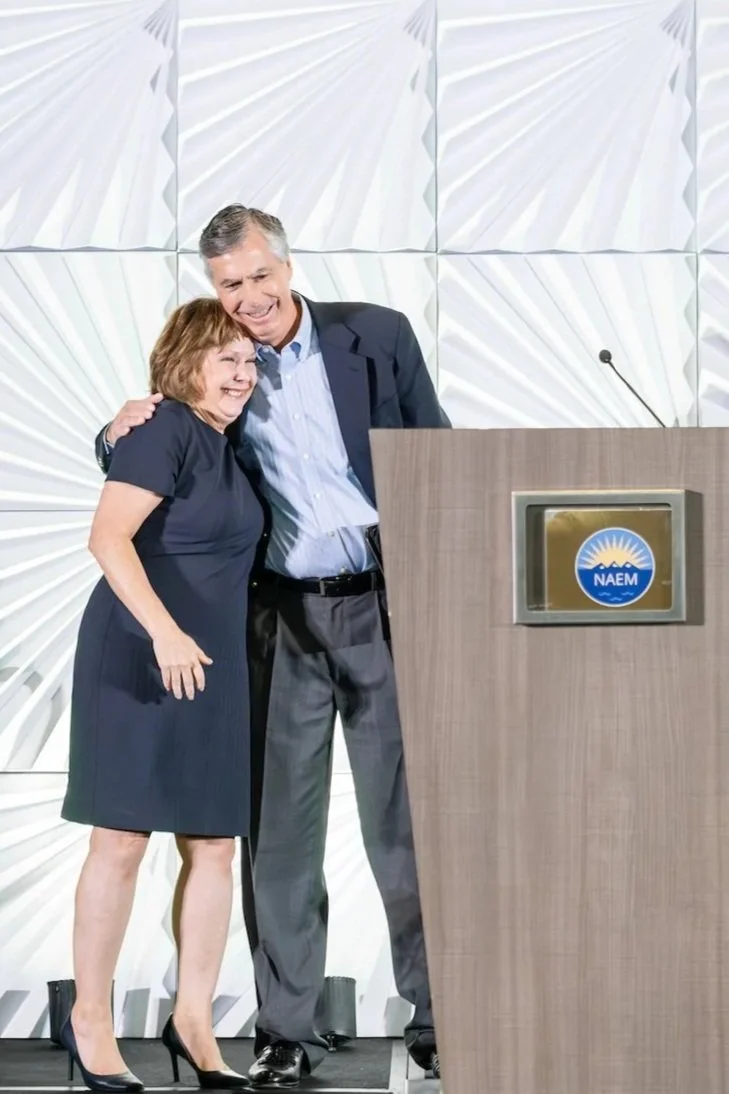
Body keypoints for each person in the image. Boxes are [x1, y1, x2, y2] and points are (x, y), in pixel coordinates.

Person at [97, 206, 451, 1088]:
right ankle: (288, 1027)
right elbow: (160, 441)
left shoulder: (376, 335)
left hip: (383, 608)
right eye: (228, 284)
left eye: (259, 276)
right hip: (273, 621)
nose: (248, 299)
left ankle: (439, 1018)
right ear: (212, 288)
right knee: (278, 839)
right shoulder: (222, 358)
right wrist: (109, 432)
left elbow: (439, 458)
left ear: (286, 267)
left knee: (405, 831)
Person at [62, 298, 262, 1092]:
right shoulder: (166, 427)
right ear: (186, 362)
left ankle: (193, 1024)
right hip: (143, 654)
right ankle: (90, 1022)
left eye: (250, 363)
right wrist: (165, 632)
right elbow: (106, 537)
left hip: (212, 666)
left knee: (214, 844)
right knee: (121, 841)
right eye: (228, 361)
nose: (244, 375)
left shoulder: (229, 443)